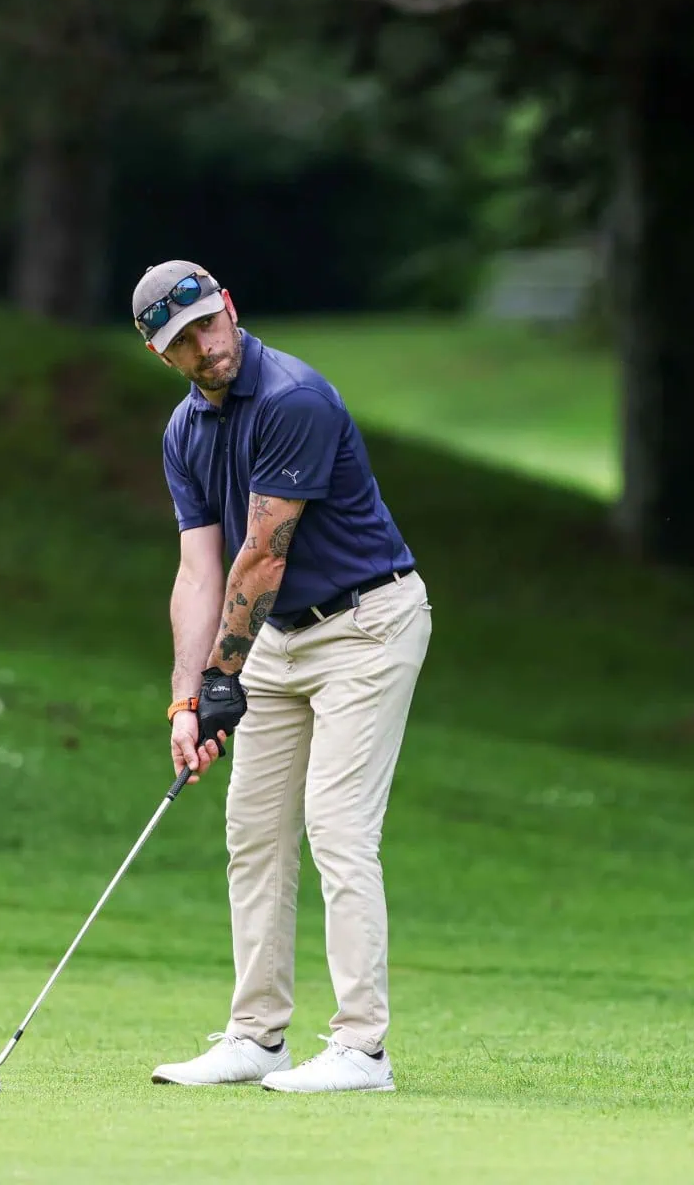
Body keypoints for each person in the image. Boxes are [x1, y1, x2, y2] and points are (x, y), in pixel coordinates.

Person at [130, 260, 432, 1094]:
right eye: (181, 342)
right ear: (163, 355)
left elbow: (263, 553)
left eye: (207, 325)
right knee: (254, 831)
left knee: (336, 826)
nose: (203, 348)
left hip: (367, 625)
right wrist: (190, 698)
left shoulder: (296, 398)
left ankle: (362, 1050)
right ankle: (258, 1037)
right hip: (277, 639)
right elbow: (200, 574)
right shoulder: (182, 434)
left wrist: (227, 674)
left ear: (230, 308)